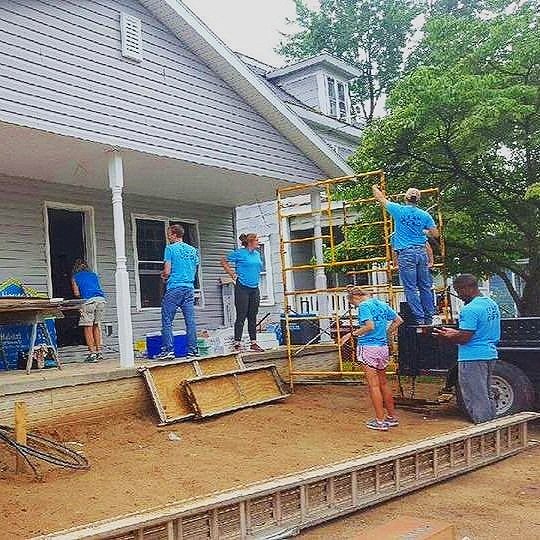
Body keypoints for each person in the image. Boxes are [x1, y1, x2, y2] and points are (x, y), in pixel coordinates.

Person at [433, 274, 501, 424]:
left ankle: (483, 428)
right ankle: (492, 426)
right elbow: (477, 331)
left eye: (459, 291)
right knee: (486, 392)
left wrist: (447, 336)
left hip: (472, 356)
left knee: (475, 394)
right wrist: (455, 333)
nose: (459, 295)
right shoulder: (491, 304)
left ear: (467, 288)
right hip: (489, 353)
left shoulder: (470, 309)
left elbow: (465, 337)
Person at [373, 185, 439, 325]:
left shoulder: (399, 210)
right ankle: (429, 317)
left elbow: (380, 198)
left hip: (406, 253)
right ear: (418, 199)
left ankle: (420, 319)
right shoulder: (424, 215)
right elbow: (435, 234)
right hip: (421, 252)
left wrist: (374, 187)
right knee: (425, 287)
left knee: (410, 288)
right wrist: (423, 231)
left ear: (405, 198)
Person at [339, 286, 403, 431]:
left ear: (355, 298)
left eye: (352, 305)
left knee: (373, 385)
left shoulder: (363, 306)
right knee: (383, 383)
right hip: (382, 348)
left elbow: (369, 326)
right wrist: (387, 333)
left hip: (368, 347)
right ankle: (391, 417)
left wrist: (351, 334)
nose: (355, 307)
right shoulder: (381, 304)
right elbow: (398, 320)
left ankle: (380, 421)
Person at [158, 224, 200, 360]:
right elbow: (195, 268)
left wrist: (163, 276)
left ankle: (168, 350)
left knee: (167, 319)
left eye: (169, 234)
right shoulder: (193, 250)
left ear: (175, 235)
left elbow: (168, 271)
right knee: (190, 321)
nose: (168, 236)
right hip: (189, 288)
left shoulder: (170, 249)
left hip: (175, 287)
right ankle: (193, 350)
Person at [221, 233, 265, 352]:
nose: (258, 242)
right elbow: (224, 261)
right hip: (242, 287)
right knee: (241, 315)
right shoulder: (240, 253)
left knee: (252, 315)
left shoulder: (257, 254)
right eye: (256, 240)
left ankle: (253, 343)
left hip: (254, 288)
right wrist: (232, 275)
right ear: (250, 242)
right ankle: (237, 342)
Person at [71, 259, 106, 363]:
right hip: (101, 300)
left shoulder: (75, 277)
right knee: (96, 325)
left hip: (89, 302)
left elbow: (76, 293)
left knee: (88, 327)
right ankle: (99, 352)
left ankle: (92, 354)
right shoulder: (93, 275)